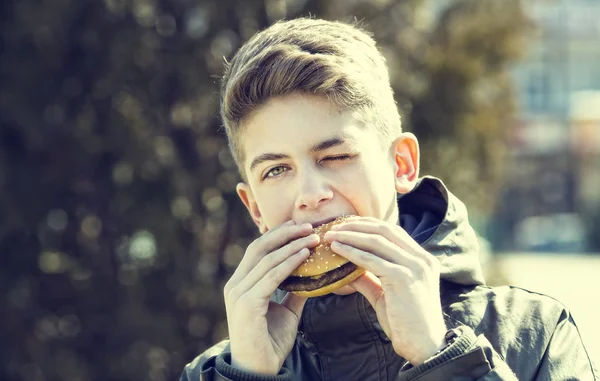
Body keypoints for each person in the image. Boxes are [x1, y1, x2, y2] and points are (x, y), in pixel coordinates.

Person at [180, 18, 597, 381]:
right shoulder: (213, 374)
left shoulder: (534, 335)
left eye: (336, 156)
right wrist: (248, 376)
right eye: (276, 170)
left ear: (401, 165)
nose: (310, 195)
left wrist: (443, 360)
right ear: (255, 208)